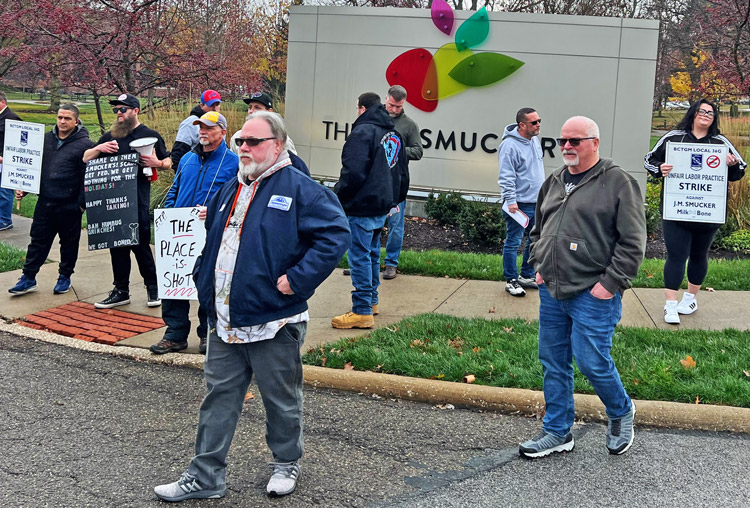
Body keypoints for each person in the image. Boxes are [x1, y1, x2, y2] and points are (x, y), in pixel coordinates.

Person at [154, 111, 349, 502]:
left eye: (253, 142)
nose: (243, 148)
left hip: (273, 320)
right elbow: (215, 239)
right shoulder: (231, 187)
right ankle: (206, 476)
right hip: (225, 318)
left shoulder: (299, 188)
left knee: (280, 399)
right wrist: (202, 276)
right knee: (218, 398)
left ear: (276, 145)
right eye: (241, 141)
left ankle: (285, 463)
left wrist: (296, 280)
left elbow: (335, 234)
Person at [521, 116, 645, 459]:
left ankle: (621, 411)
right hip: (553, 290)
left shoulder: (618, 181)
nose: (567, 147)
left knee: (592, 361)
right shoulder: (555, 181)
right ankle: (557, 431)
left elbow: (633, 242)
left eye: (575, 141)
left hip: (594, 292)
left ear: (595, 143)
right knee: (553, 360)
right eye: (562, 141)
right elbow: (538, 227)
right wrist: (539, 263)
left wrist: (610, 284)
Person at [645, 99, 746, 324]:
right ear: (692, 114)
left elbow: (740, 170)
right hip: (676, 210)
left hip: (708, 211)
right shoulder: (672, 138)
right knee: (676, 256)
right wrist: (660, 169)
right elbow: (649, 160)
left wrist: (731, 165)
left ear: (714, 119)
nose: (705, 115)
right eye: (701, 111)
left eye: (710, 112)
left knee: (699, 255)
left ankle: (690, 298)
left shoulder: (720, 142)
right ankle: (670, 303)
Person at [150, 112, 238, 355]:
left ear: (222, 132)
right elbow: (174, 189)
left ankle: (207, 333)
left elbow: (236, 199)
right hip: (179, 235)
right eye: (200, 127)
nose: (202, 132)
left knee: (207, 283)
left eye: (209, 128)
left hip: (211, 234)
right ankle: (175, 334)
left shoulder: (233, 163)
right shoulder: (188, 158)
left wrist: (214, 212)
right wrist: (169, 215)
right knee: (174, 281)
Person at [83, 93, 172, 309]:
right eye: (116, 110)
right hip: (112, 200)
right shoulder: (110, 136)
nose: (119, 114)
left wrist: (157, 162)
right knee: (116, 246)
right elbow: (85, 157)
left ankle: (153, 287)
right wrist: (99, 149)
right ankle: (121, 290)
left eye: (123, 109)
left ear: (135, 111)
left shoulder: (149, 135)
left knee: (140, 244)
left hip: (137, 199)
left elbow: (169, 161)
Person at [331, 92, 408, 329]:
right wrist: (395, 200)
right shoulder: (393, 133)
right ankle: (372, 301)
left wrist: (338, 197)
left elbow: (352, 173)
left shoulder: (362, 133)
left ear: (362, 108)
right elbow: (402, 172)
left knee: (360, 256)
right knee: (373, 253)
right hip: (383, 204)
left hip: (361, 205)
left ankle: (362, 310)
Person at [8, 104, 94, 295]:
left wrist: (81, 204)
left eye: (67, 118)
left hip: (69, 205)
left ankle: (65, 276)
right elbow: (34, 167)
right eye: (60, 117)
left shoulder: (86, 145)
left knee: (69, 243)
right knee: (38, 241)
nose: (62, 121)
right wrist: (26, 188)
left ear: (76, 121)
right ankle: (28, 277)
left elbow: (88, 177)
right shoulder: (45, 139)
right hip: (45, 202)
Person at [497, 107, 545, 297]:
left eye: (539, 120)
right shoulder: (509, 146)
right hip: (517, 205)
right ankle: (511, 280)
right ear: (522, 125)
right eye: (534, 122)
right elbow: (506, 176)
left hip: (536, 202)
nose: (538, 124)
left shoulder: (534, 140)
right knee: (514, 242)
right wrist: (511, 200)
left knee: (534, 241)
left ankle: (526, 275)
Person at [381, 85, 422, 280]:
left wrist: (396, 149)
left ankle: (391, 263)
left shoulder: (409, 125)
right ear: (386, 99)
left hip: (397, 182)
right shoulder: (374, 118)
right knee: (368, 222)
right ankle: (365, 261)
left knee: (395, 224)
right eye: (391, 105)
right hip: (373, 182)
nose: (394, 110)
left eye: (398, 106)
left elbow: (418, 151)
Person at [228, 92, 309, 176]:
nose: (251, 111)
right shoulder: (237, 136)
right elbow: (232, 164)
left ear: (269, 111)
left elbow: (292, 167)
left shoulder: (281, 139)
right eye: (250, 107)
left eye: (257, 108)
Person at [170, 90, 222, 169]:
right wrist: (183, 176)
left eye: (217, 104)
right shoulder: (190, 123)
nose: (214, 108)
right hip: (194, 170)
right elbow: (178, 154)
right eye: (211, 105)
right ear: (201, 105)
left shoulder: (220, 124)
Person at [0, 91, 22, 231]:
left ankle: (5, 220)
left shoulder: (12, 118)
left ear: (2, 102)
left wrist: (4, 156)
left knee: (4, 191)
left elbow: (17, 141)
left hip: (5, 161)